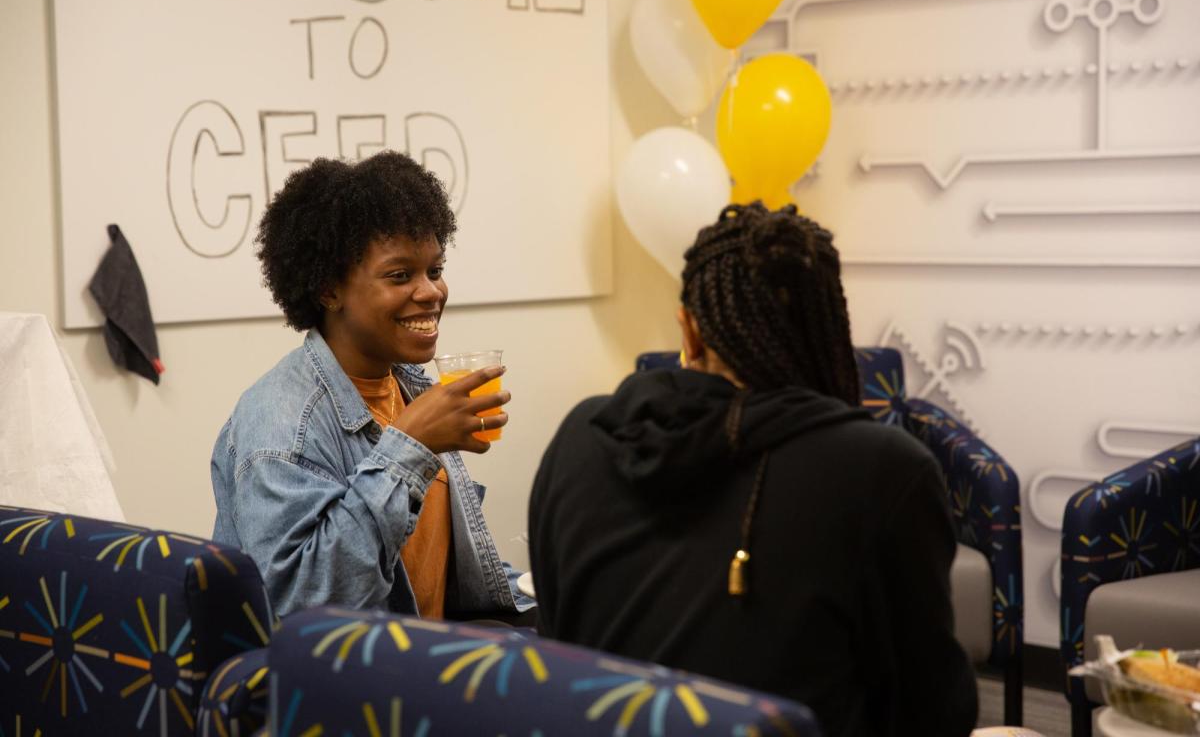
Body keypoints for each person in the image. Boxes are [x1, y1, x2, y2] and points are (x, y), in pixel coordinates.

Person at [528, 203, 977, 737]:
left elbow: (557, 653)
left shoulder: (582, 435)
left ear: (689, 333)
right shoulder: (885, 471)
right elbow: (935, 712)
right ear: (832, 328)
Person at [211, 151, 533, 623]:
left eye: (435, 270)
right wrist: (409, 448)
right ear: (328, 289)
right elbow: (301, 608)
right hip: (339, 685)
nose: (431, 293)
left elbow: (441, 580)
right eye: (400, 275)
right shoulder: (281, 425)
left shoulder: (412, 389)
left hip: (423, 655)